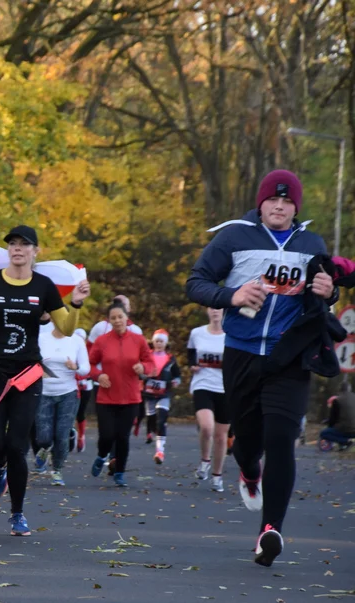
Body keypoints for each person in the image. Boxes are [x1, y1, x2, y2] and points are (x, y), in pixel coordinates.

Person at [186, 169, 339, 567]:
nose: (279, 206)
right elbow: (196, 282)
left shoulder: (311, 244)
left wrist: (330, 290)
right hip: (241, 352)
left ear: (296, 208)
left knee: (282, 437)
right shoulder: (235, 237)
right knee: (249, 442)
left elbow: (326, 291)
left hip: (290, 356)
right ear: (261, 202)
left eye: (288, 202)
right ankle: (249, 471)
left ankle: (270, 531)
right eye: (273, 199)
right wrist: (231, 294)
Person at [0, 225, 90, 536]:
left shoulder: (43, 286)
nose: (17, 249)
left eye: (24, 244)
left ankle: (17, 514)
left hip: (27, 375)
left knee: (17, 446)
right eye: (12, 244)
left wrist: (77, 304)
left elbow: (67, 328)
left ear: (35, 251)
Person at [87, 302, 155, 487]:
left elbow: (150, 363)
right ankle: (102, 456)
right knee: (107, 435)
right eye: (113, 318)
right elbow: (90, 364)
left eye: (120, 317)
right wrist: (98, 375)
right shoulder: (102, 341)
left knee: (123, 437)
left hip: (131, 397)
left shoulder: (138, 340)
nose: (117, 321)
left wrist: (143, 368)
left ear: (127, 318)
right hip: (106, 397)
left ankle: (119, 473)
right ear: (109, 321)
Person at [34, 322, 90, 485]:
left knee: (61, 435)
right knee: (44, 437)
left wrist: (75, 367)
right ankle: (44, 449)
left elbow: (86, 369)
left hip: (68, 393)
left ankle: (57, 470)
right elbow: (30, 362)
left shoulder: (77, 341)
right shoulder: (41, 339)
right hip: (44, 393)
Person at [188, 308, 230, 492]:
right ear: (207, 310)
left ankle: (217, 476)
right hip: (202, 385)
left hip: (225, 389)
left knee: (221, 437)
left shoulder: (231, 335)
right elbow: (191, 353)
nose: (215, 312)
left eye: (219, 309)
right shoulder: (197, 333)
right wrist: (192, 366)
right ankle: (205, 460)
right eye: (212, 308)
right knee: (207, 427)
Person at [141, 329, 181, 464]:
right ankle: (155, 433)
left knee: (161, 419)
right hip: (149, 394)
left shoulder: (171, 359)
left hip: (164, 393)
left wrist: (176, 381)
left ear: (165, 343)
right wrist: (143, 376)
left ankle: (160, 451)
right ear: (153, 342)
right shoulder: (147, 356)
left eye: (161, 341)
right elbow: (140, 371)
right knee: (152, 421)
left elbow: (177, 374)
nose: (159, 344)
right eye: (157, 341)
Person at [73, 328, 92, 452]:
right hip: (72, 384)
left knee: (81, 412)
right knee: (70, 412)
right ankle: (70, 435)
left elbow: (93, 366)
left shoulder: (89, 351)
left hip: (86, 384)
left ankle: (81, 436)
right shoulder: (69, 348)